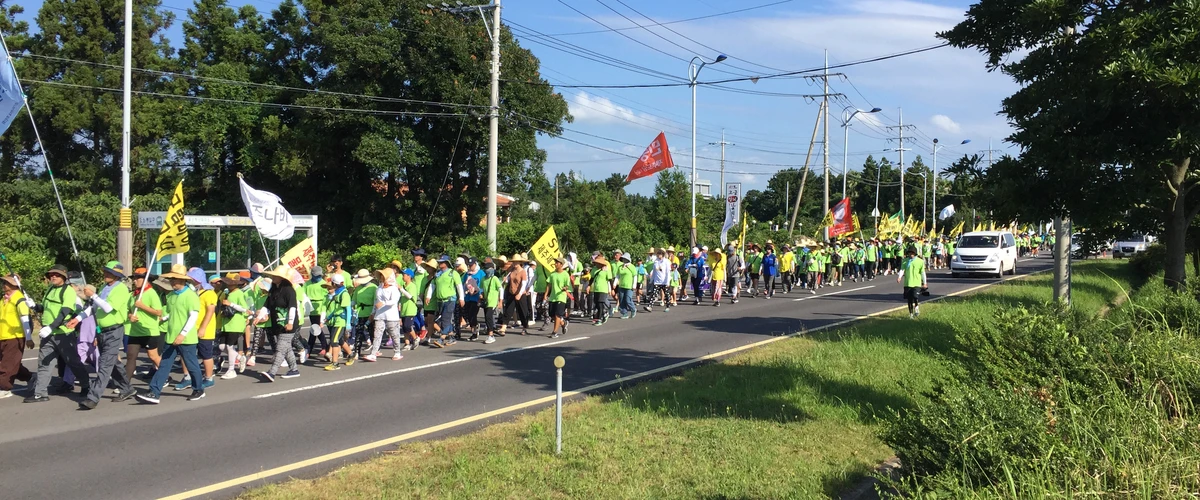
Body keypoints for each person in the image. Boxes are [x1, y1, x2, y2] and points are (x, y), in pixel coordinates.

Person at [137, 264, 206, 403]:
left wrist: (183, 334)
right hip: (171, 336)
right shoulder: (171, 296)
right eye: (171, 279)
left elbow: (193, 317)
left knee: (192, 365)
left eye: (175, 279)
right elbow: (169, 312)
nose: (172, 282)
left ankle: (198, 389)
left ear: (183, 280)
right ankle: (154, 392)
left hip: (186, 339)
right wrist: (162, 318)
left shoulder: (190, 296)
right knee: (164, 365)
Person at [24, 265, 89, 403]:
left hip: (63, 334)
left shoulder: (68, 291)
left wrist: (51, 327)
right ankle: (40, 393)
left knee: (73, 362)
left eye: (57, 275)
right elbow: (45, 308)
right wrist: (34, 306)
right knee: (44, 363)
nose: (53, 276)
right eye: (51, 274)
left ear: (64, 277)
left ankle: (86, 386)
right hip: (48, 334)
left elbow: (65, 311)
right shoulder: (50, 290)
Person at [80, 261, 135, 409]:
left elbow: (108, 308)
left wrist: (94, 295)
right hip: (102, 331)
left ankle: (93, 397)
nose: (106, 274)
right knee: (113, 363)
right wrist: (77, 319)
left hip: (114, 330)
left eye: (110, 273)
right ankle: (127, 389)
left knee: (104, 364)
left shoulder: (121, 289)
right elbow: (94, 308)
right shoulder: (105, 288)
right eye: (105, 271)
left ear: (117, 276)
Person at [175, 268, 217, 391]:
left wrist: (203, 328)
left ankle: (209, 378)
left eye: (193, 279)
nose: (191, 282)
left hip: (205, 330)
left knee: (206, 354)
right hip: (191, 328)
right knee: (186, 353)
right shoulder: (192, 293)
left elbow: (210, 312)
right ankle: (187, 377)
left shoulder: (209, 293)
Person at [259, 265, 301, 381]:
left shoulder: (289, 290)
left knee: (280, 348)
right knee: (286, 349)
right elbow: (267, 305)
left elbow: (292, 307)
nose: (273, 277)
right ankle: (294, 369)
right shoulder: (273, 290)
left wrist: (290, 322)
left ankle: (272, 372)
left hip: (288, 325)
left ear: (282, 278)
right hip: (277, 324)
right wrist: (259, 317)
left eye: (275, 275)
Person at [126, 268, 163, 380]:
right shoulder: (133, 294)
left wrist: (142, 306)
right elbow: (128, 309)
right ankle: (125, 384)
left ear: (145, 279)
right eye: (134, 278)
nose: (134, 281)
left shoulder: (152, 293)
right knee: (130, 356)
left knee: (153, 356)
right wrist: (130, 316)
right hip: (134, 331)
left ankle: (164, 376)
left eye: (137, 278)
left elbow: (159, 312)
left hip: (149, 331)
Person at [0, 274, 32, 399]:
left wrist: (28, 338)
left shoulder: (20, 299)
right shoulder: (4, 299)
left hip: (15, 336)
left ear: (14, 285)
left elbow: (25, 319)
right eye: (3, 283)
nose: (4, 285)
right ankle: (30, 377)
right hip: (3, 335)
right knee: (12, 362)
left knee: (7, 363)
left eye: (6, 283)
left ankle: (4, 387)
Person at [215, 273, 249, 379]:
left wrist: (231, 304)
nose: (229, 285)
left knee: (229, 347)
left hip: (236, 323)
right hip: (226, 324)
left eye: (231, 283)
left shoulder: (239, 293)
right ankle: (240, 357)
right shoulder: (226, 293)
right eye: (228, 283)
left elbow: (245, 309)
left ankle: (231, 370)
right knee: (221, 346)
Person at [426, 255, 464, 348]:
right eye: (439, 262)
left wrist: (461, 298)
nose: (440, 264)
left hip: (450, 299)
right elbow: (432, 285)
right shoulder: (438, 274)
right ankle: (451, 337)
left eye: (442, 262)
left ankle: (441, 338)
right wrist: (428, 296)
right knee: (445, 319)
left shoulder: (453, 273)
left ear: (447, 263)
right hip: (440, 300)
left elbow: (459, 286)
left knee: (445, 319)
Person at [366, 268, 402, 362]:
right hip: (379, 315)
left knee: (394, 334)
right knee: (377, 334)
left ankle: (397, 352)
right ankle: (373, 353)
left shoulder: (394, 289)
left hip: (391, 316)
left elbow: (394, 301)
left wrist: (383, 303)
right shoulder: (379, 288)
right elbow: (376, 301)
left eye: (384, 276)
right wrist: (373, 312)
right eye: (381, 276)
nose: (382, 277)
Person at [322, 273, 355, 370]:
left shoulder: (344, 294)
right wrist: (329, 317)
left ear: (334, 284)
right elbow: (337, 309)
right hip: (336, 319)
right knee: (340, 340)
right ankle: (351, 354)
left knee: (334, 341)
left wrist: (348, 323)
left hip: (341, 321)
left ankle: (335, 363)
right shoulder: (338, 293)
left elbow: (348, 309)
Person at [498, 254, 531, 336]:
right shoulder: (511, 270)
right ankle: (503, 327)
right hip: (511, 292)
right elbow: (510, 280)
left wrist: (519, 294)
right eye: (514, 262)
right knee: (508, 310)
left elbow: (524, 284)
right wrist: (506, 280)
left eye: (516, 262)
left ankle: (524, 327)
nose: (514, 263)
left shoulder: (523, 272)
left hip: (520, 294)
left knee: (522, 311)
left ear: (520, 262)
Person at [303, 266, 330, 362]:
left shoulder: (324, 284)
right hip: (311, 308)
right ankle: (324, 348)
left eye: (319, 275)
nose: (318, 277)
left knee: (315, 329)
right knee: (315, 329)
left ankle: (310, 349)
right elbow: (303, 295)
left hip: (320, 308)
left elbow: (327, 297)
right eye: (316, 275)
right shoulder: (307, 284)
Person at [897, 248, 928, 319]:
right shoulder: (905, 261)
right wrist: (899, 277)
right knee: (909, 299)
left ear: (915, 254)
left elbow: (923, 273)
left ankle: (916, 307)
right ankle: (911, 314)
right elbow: (902, 270)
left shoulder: (920, 261)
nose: (911, 255)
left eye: (912, 253)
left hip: (916, 283)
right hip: (908, 283)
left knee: (915, 296)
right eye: (909, 253)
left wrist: (925, 283)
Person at [544, 258, 571, 338]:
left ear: (561, 265)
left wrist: (565, 288)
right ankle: (563, 323)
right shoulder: (552, 274)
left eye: (557, 263)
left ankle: (554, 332)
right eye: (555, 263)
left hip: (561, 297)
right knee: (552, 315)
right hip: (553, 297)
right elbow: (549, 285)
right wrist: (545, 294)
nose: (555, 264)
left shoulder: (565, 274)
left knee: (557, 315)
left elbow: (567, 285)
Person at [460, 258, 485, 340]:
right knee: (467, 314)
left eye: (472, 265)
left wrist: (480, 293)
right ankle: (474, 328)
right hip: (468, 297)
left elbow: (483, 284)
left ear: (476, 264)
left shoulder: (481, 273)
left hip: (476, 297)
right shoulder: (467, 274)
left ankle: (474, 333)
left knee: (472, 315)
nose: (470, 266)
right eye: (469, 265)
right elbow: (463, 285)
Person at [479, 262, 502, 344]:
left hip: (493, 301)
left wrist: (500, 301)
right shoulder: (483, 279)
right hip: (486, 301)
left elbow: (500, 289)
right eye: (485, 269)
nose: (486, 270)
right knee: (487, 318)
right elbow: (481, 289)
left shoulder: (495, 278)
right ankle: (490, 333)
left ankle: (491, 335)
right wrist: (481, 295)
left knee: (489, 317)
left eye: (488, 269)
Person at [588, 256, 613, 326]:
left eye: (598, 263)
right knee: (596, 304)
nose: (596, 264)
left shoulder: (606, 270)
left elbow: (610, 279)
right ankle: (604, 314)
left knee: (600, 303)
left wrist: (612, 289)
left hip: (603, 289)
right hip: (596, 289)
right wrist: (589, 286)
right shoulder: (594, 269)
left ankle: (599, 319)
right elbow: (592, 278)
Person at [615, 254, 637, 319]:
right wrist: (615, 283)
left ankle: (633, 309)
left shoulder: (632, 267)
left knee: (628, 299)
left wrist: (634, 285)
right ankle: (624, 313)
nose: (624, 260)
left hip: (629, 286)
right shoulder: (620, 267)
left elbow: (635, 276)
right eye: (623, 259)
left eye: (625, 259)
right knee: (621, 300)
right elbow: (618, 276)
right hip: (621, 285)